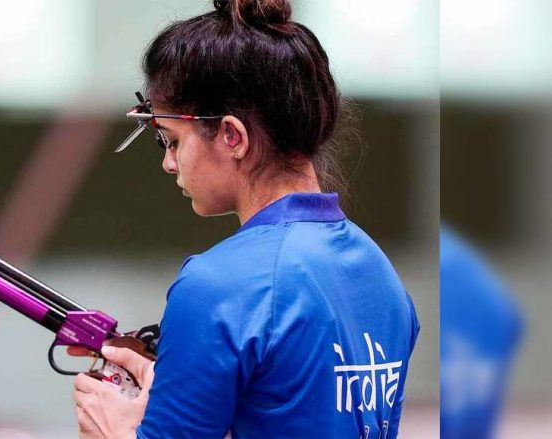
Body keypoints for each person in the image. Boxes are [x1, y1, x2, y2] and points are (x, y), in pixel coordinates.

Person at [70, 0, 420, 437]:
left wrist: (114, 430)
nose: (169, 163)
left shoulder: (219, 285)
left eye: (171, 140)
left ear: (232, 136)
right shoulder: (381, 275)